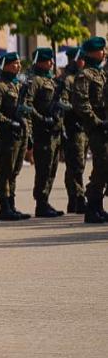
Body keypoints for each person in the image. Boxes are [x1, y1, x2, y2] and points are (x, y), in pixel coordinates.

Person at [71, 36, 108, 223]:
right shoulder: (84, 75)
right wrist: (98, 122)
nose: (104, 53)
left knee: (104, 166)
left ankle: (97, 207)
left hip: (104, 126)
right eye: (101, 50)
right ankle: (92, 208)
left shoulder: (100, 74)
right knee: (102, 165)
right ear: (92, 52)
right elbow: (81, 104)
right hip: (96, 128)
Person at [0, 52, 33, 221]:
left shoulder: (17, 85)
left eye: (18, 63)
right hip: (7, 134)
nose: (18, 66)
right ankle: (4, 206)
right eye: (14, 63)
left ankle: (12, 204)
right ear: (6, 65)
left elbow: (24, 111)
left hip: (20, 134)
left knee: (15, 170)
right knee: (6, 171)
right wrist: (9, 122)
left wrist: (28, 132)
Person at [28, 48, 66, 218]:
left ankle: (45, 200)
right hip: (43, 132)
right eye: (47, 60)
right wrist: (42, 119)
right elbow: (28, 106)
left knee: (52, 169)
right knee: (44, 169)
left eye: (51, 60)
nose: (51, 63)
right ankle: (41, 204)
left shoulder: (50, 81)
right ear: (39, 61)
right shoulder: (35, 81)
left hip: (55, 132)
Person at [61, 46, 88, 214]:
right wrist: (78, 110)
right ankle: (77, 198)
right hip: (74, 127)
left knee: (80, 164)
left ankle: (75, 200)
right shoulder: (68, 80)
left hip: (84, 127)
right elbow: (63, 103)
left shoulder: (81, 77)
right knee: (75, 165)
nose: (83, 62)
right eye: (81, 59)